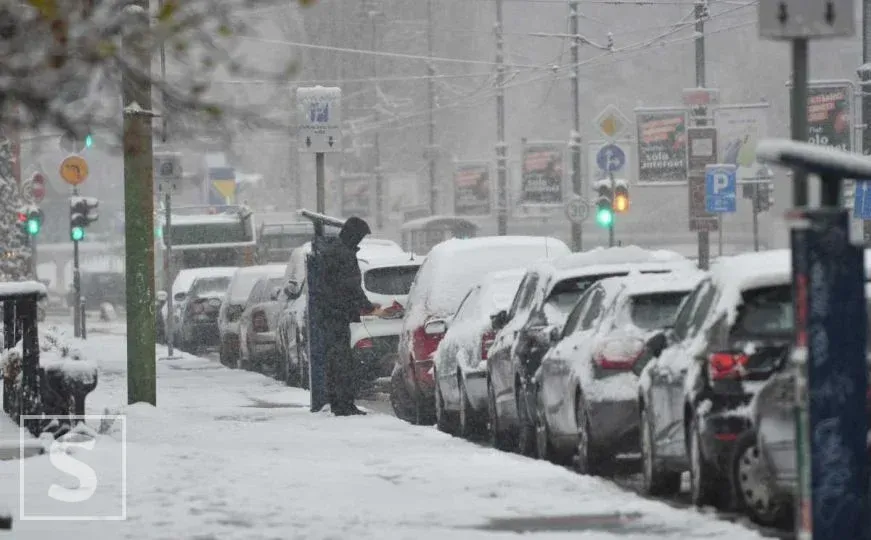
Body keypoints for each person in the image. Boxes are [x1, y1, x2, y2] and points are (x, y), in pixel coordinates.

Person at [320, 216, 384, 416]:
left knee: (336, 361)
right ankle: (344, 404)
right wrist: (366, 306)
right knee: (342, 362)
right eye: (360, 237)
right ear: (353, 235)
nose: (361, 241)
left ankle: (339, 402)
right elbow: (350, 286)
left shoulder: (334, 252)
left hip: (330, 314)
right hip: (337, 315)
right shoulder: (343, 254)